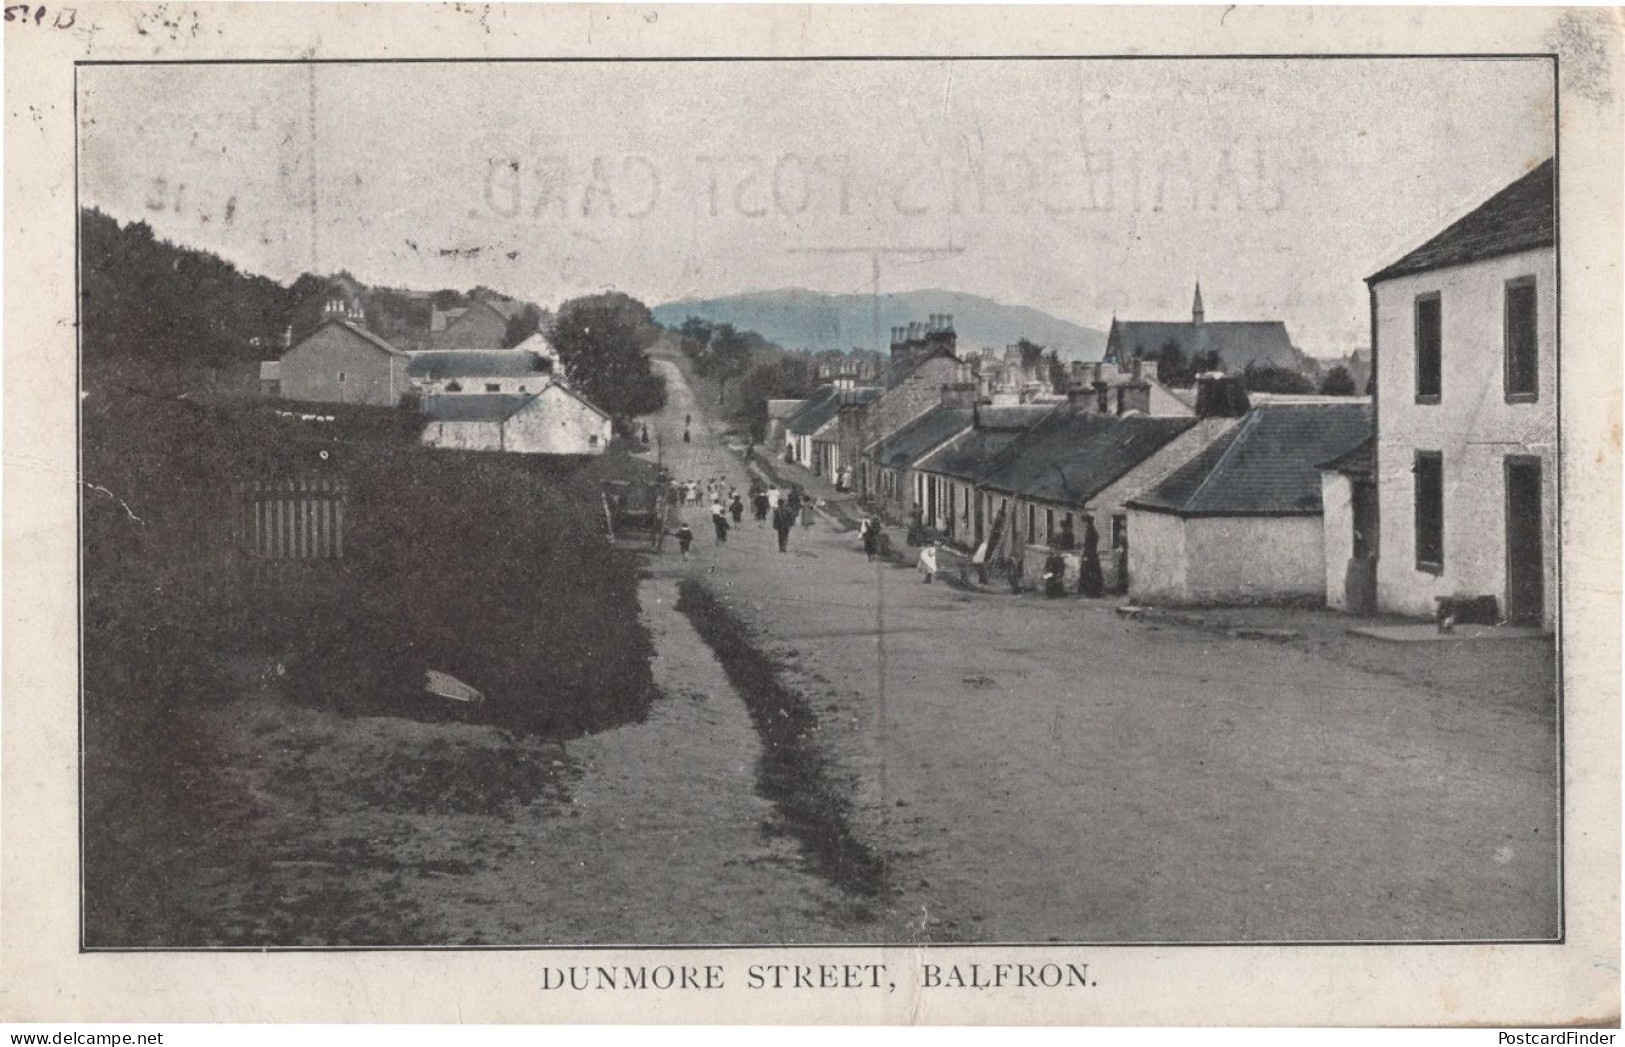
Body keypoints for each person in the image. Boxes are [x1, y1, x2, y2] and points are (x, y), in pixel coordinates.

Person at [1079, 517, 1105, 597]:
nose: (1084, 525)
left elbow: (1089, 545)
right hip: (1092, 555)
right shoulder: (1093, 531)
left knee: (1089, 572)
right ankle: (1094, 591)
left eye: (1085, 523)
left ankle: (1091, 592)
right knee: (1093, 573)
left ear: (1088, 523)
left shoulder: (1090, 532)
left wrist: (1085, 555)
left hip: (1090, 555)